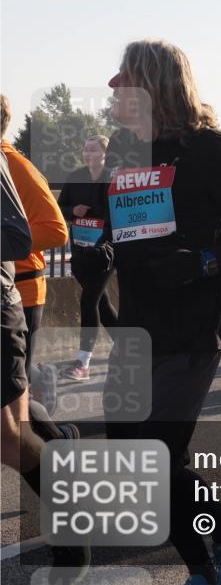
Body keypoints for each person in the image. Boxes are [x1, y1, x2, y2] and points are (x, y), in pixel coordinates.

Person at [105, 39, 221, 585]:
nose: (112, 86)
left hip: (191, 327)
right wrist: (95, 250)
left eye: (124, 77)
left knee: (158, 455)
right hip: (134, 324)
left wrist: (205, 261)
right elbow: (117, 227)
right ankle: (207, 561)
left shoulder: (209, 149)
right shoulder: (122, 148)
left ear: (155, 85)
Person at [2, 150, 90, 579]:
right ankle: (58, 442)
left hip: (17, 293)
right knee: (14, 418)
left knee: (10, 427)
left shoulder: (10, 162)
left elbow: (54, 229)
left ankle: (57, 452)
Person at [0, 95, 69, 374]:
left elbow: (57, 230)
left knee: (15, 392)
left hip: (22, 292)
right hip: (9, 289)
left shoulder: (17, 165)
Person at [57, 135, 117, 381]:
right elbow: (59, 209)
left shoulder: (113, 179)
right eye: (85, 149)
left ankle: (83, 363)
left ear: (105, 153)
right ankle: (130, 348)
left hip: (104, 252)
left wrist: (105, 236)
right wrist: (73, 210)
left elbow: (120, 212)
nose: (88, 154)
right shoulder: (75, 177)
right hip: (81, 252)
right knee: (101, 303)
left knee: (89, 300)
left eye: (93, 150)